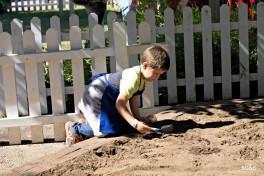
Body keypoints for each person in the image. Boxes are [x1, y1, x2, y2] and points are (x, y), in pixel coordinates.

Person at [65, 45, 170, 145]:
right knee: (105, 131)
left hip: (108, 98)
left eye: (160, 74)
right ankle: (75, 128)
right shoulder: (133, 77)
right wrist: (135, 124)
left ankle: (92, 122)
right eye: (156, 73)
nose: (157, 77)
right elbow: (120, 104)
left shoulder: (142, 80)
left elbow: (133, 100)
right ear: (145, 65)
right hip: (96, 97)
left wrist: (138, 119)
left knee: (122, 126)